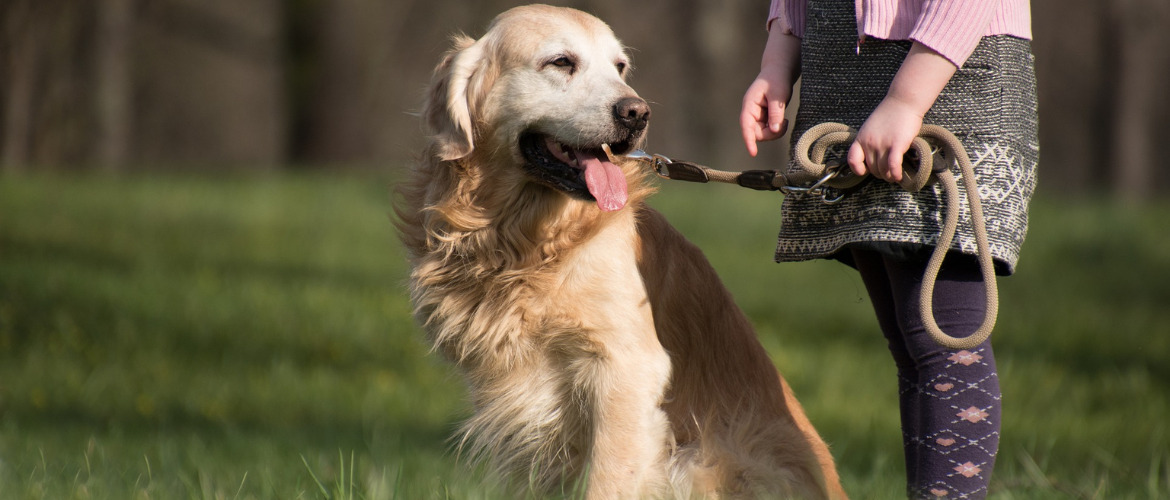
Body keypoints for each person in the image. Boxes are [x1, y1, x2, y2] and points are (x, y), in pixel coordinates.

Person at [740, 0, 1037, 498]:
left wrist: (905, 101)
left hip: (948, 75)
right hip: (843, 72)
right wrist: (777, 61)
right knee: (912, 346)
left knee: (943, 343)